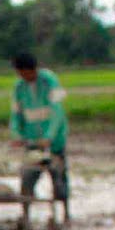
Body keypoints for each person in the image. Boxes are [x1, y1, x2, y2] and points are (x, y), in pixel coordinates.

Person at [8, 52, 69, 221]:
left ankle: (64, 213)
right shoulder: (18, 88)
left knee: (59, 178)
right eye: (19, 73)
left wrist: (49, 136)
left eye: (24, 73)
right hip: (32, 142)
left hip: (54, 142)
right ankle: (25, 216)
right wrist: (16, 135)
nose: (22, 76)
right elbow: (15, 115)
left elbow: (58, 111)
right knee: (27, 178)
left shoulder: (50, 81)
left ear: (32, 69)